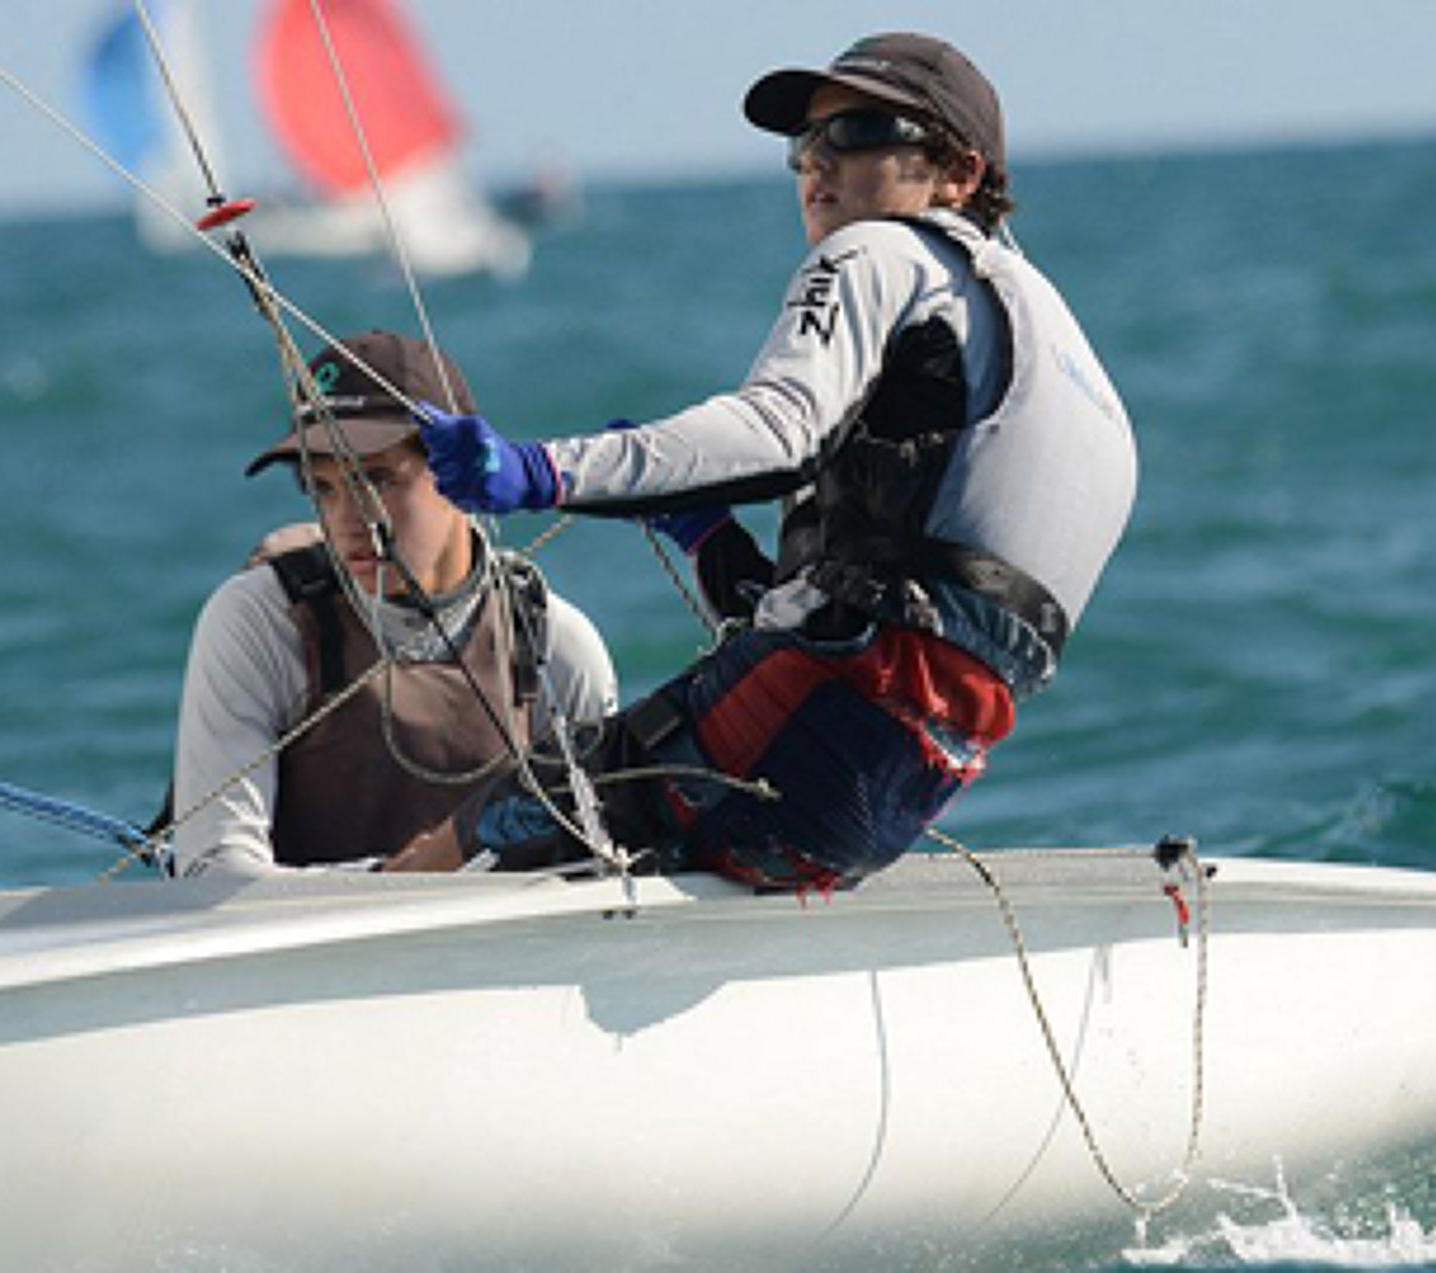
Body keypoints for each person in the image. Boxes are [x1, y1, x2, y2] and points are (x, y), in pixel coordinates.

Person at [400, 33, 1136, 892]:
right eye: (803, 144)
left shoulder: (878, 251)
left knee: (500, 818)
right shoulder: (1057, 349)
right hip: (893, 784)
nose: (816, 162)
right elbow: (910, 613)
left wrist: (536, 471)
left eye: (859, 131)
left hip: (819, 724)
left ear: (958, 174)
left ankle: (372, 912)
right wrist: (708, 536)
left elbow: (777, 432)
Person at [166, 330, 617, 877]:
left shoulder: (551, 640)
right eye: (323, 488)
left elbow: (602, 867)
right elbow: (212, 872)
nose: (348, 519)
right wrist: (398, 878)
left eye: (376, 479)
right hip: (301, 958)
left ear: (460, 471)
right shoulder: (261, 620)